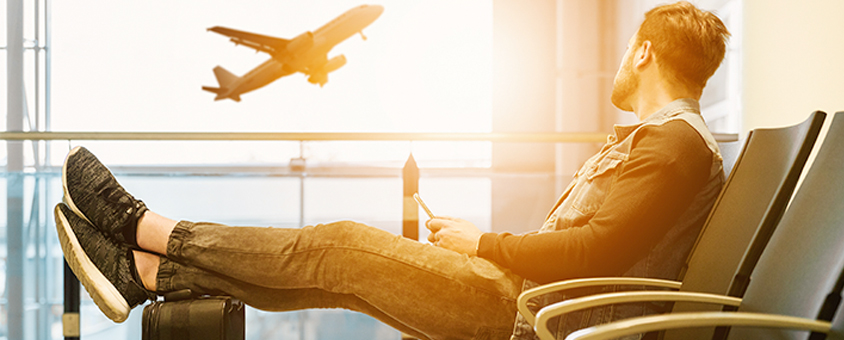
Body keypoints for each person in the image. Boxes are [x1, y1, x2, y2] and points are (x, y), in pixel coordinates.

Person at [55, 2, 730, 339]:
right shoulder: (666, 145)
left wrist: (482, 244)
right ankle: (146, 273)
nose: (618, 63)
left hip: (528, 314)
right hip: (530, 299)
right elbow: (598, 245)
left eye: (625, 53)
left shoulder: (673, 147)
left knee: (340, 246)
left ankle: (145, 230)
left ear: (643, 53)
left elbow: (594, 250)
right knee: (338, 274)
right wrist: (485, 246)